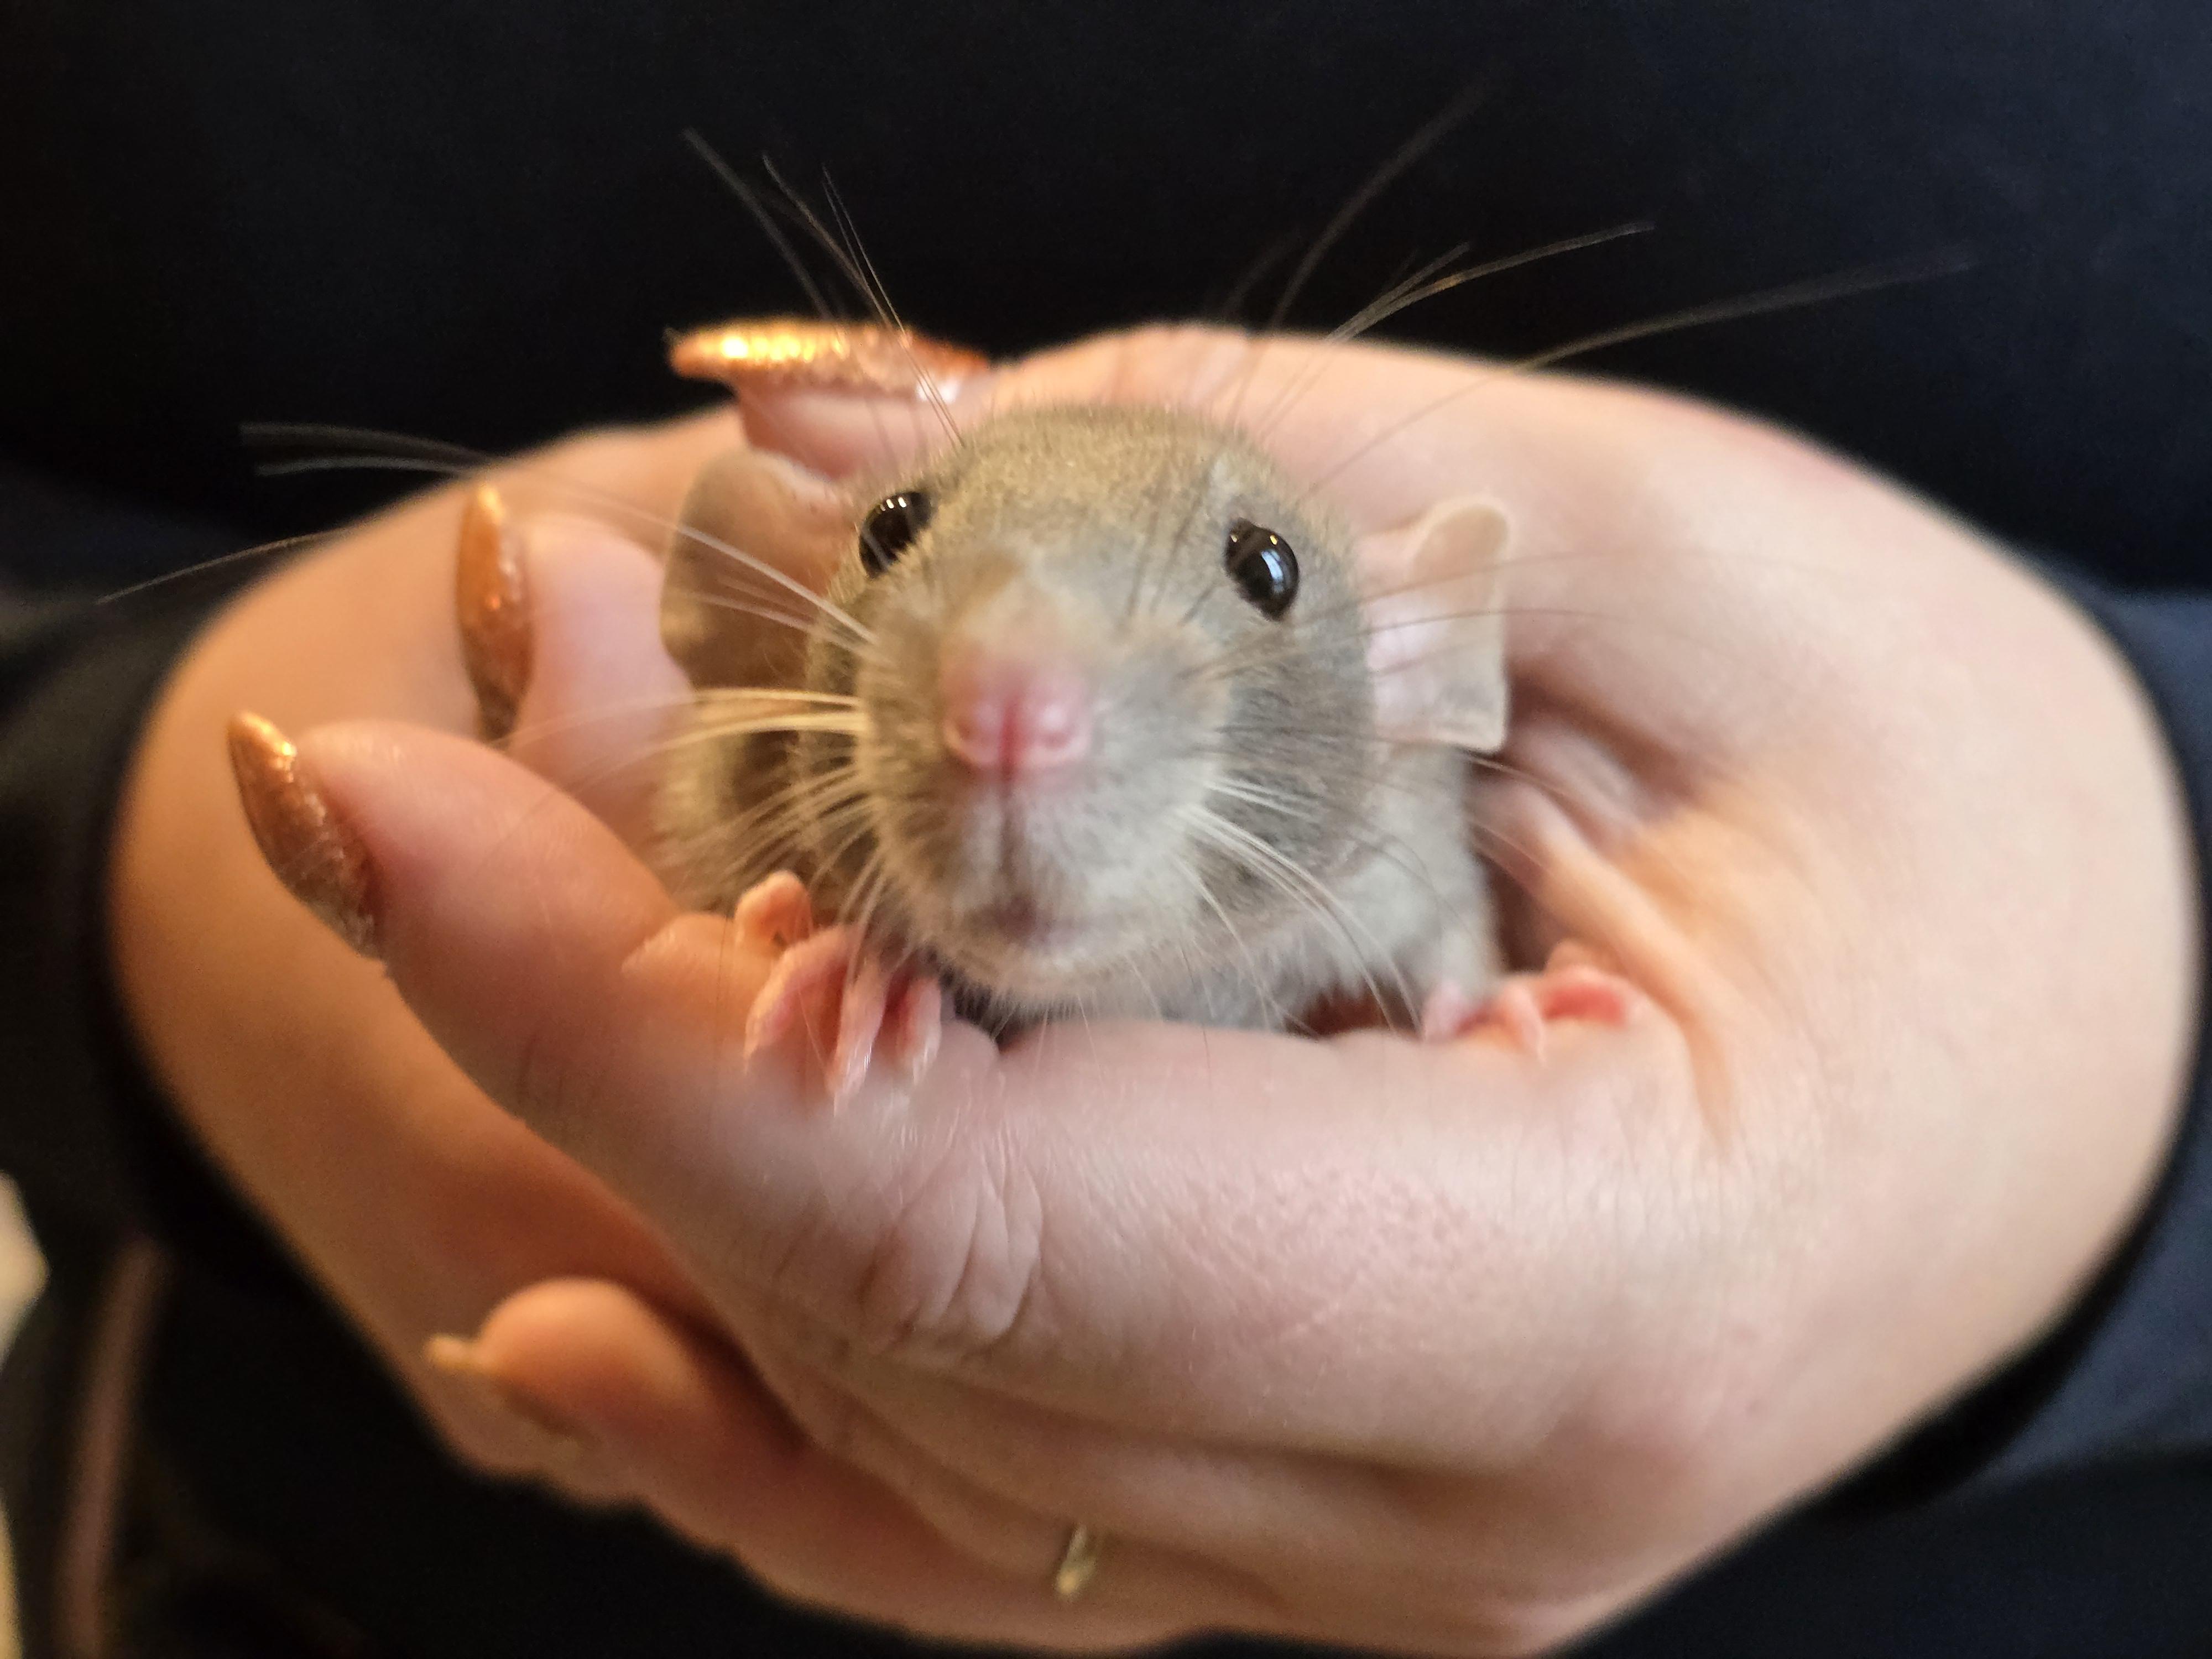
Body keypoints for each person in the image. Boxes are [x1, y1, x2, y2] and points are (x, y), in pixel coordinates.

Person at [3, 6, 2208, 1656]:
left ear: (1427, 665)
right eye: (899, 548)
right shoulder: (785, 740)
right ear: (761, 604)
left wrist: (2131, 1015)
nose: (1012, 696)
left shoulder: (1405, 810)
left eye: (1264, 576)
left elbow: (1437, 914)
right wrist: (122, 847)